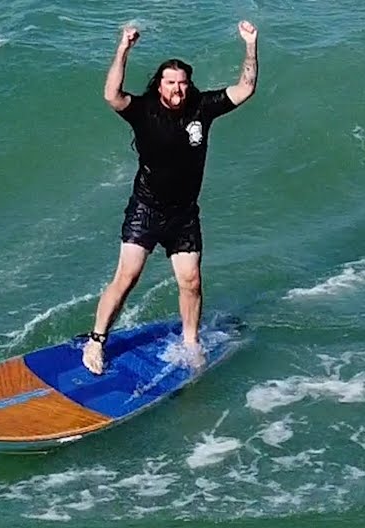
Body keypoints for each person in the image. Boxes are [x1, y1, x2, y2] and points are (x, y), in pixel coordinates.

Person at [82, 20, 259, 375]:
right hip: (146, 209)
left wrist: (250, 45)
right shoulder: (144, 110)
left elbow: (246, 88)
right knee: (127, 276)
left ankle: (191, 342)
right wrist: (123, 49)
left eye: (182, 82)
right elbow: (111, 96)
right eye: (170, 82)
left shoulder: (202, 108)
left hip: (184, 215)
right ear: (159, 85)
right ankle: (96, 341)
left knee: (191, 281)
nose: (177, 88)